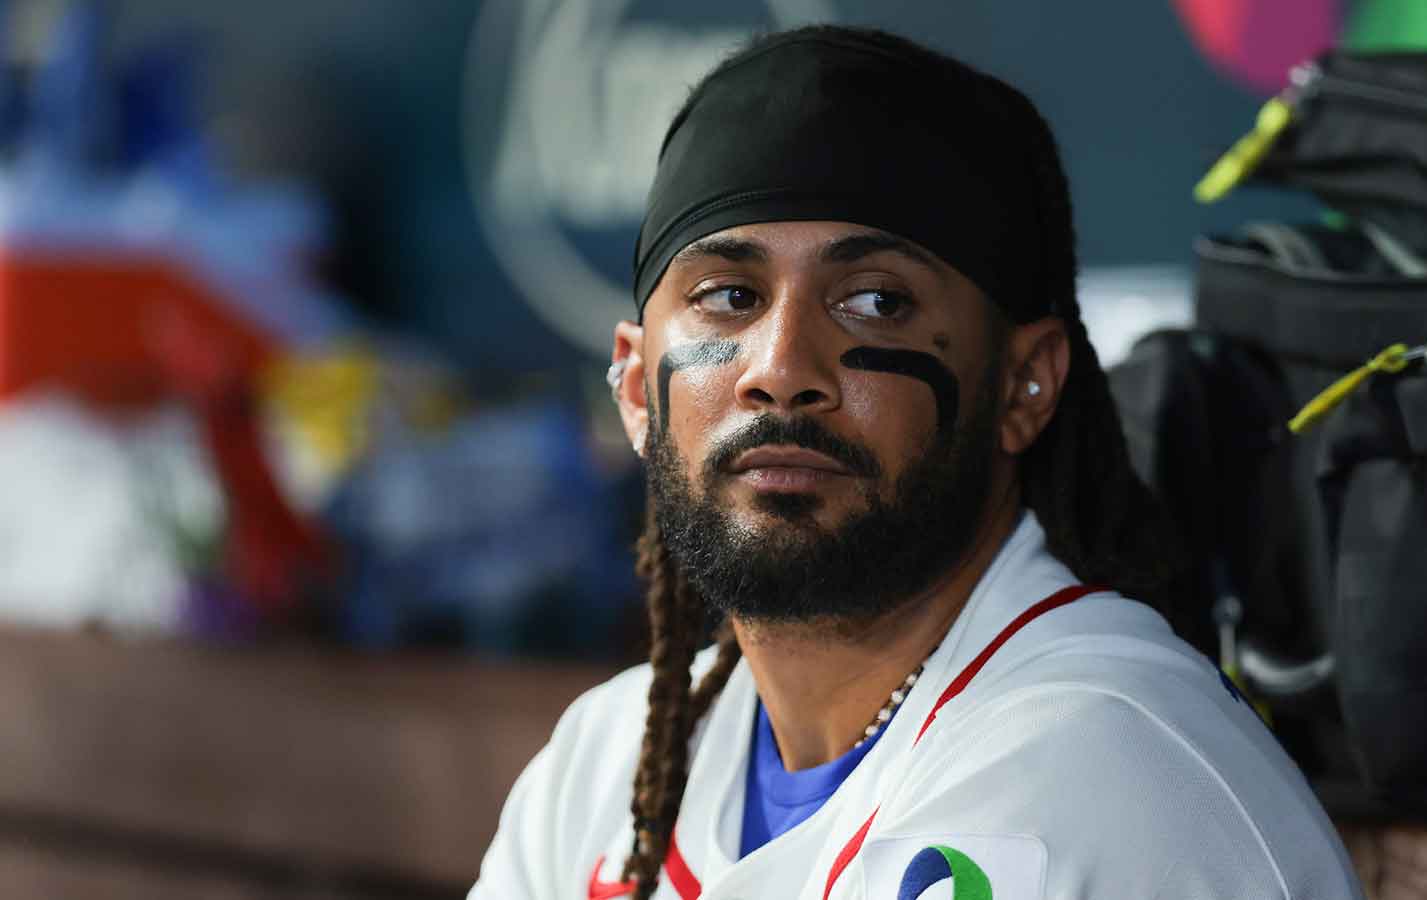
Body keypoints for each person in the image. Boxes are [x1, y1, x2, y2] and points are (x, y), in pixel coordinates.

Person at [471, 25, 1360, 900]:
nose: (781, 370)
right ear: (632, 387)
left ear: (1024, 386)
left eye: (873, 301)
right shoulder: (601, 767)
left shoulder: (1099, 766)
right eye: (729, 297)